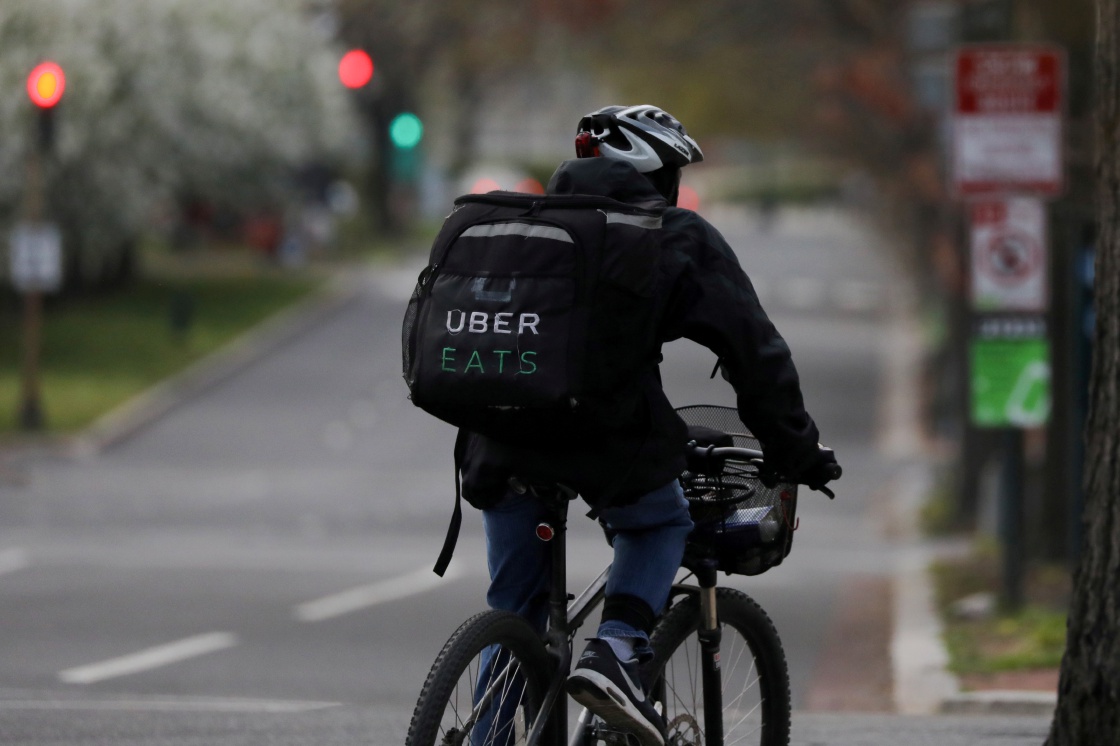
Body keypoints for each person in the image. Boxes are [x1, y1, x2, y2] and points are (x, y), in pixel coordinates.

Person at [458, 104, 838, 746]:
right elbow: (755, 353)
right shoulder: (671, 234)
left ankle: (485, 736)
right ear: (654, 174)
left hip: (497, 439)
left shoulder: (520, 223)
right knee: (659, 520)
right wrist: (796, 448)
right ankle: (619, 650)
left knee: (516, 615)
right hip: (604, 439)